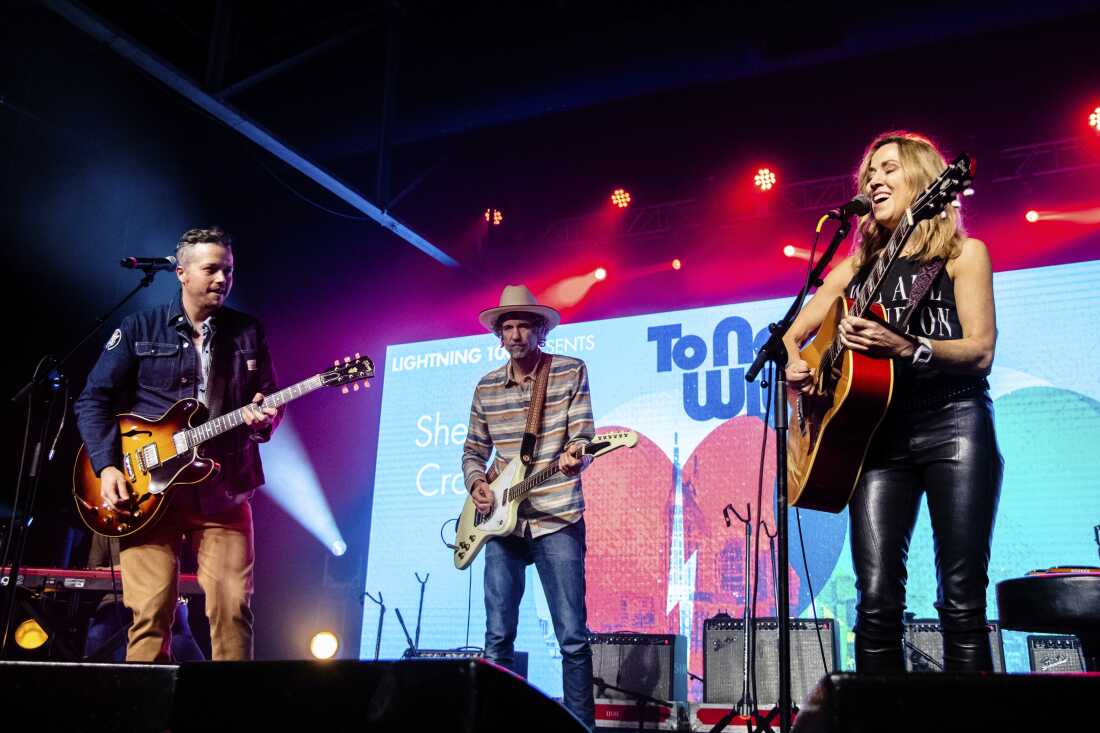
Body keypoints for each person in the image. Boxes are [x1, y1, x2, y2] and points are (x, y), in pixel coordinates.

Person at [783, 131, 1003, 672]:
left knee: (962, 601)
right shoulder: (858, 266)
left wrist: (908, 346)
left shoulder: (962, 253)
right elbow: (792, 332)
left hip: (955, 422)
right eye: (868, 174)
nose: (874, 181)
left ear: (924, 181)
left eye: (887, 170)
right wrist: (800, 367)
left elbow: (980, 352)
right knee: (876, 604)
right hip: (876, 436)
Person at [75, 226, 281, 662]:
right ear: (181, 273)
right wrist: (108, 466)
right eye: (211, 269)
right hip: (147, 495)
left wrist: (266, 418)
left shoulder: (248, 332)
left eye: (228, 270)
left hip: (224, 490)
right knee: (149, 616)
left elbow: (267, 404)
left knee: (232, 611)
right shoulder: (138, 327)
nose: (222, 279)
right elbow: (93, 399)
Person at [462, 284, 597, 728]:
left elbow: (583, 436)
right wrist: (478, 482)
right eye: (508, 327)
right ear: (498, 336)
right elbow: (472, 450)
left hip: (556, 515)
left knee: (572, 638)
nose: (516, 334)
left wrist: (575, 457)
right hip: (501, 525)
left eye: (523, 325)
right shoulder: (485, 387)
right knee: (497, 639)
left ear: (540, 330)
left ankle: (581, 728)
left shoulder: (569, 371)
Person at [83, 533, 205, 663]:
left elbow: (187, 567)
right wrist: (139, 567)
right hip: (117, 597)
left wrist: (127, 568)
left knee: (180, 637)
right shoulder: (104, 527)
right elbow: (93, 570)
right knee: (97, 635)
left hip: (163, 594)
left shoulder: (163, 520)